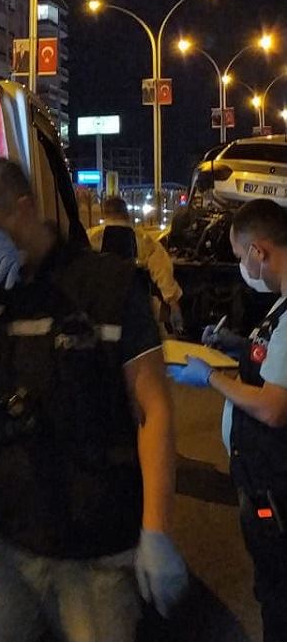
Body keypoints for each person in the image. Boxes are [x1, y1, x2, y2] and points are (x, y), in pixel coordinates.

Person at [0, 156, 184, 642]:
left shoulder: (108, 285)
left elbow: (154, 411)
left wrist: (156, 529)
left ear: (24, 209)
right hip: (6, 542)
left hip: (94, 553)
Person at [169, 197, 287, 642]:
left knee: (277, 593)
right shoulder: (280, 307)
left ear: (260, 251)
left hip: (275, 489)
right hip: (265, 481)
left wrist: (213, 379)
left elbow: (274, 408)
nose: (241, 266)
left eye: (240, 257)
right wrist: (238, 346)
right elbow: (273, 359)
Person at [87, 194, 185, 334]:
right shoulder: (144, 240)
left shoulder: (91, 237)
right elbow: (162, 271)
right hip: (133, 306)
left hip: (99, 307)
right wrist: (173, 304)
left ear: (105, 213)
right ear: (126, 214)